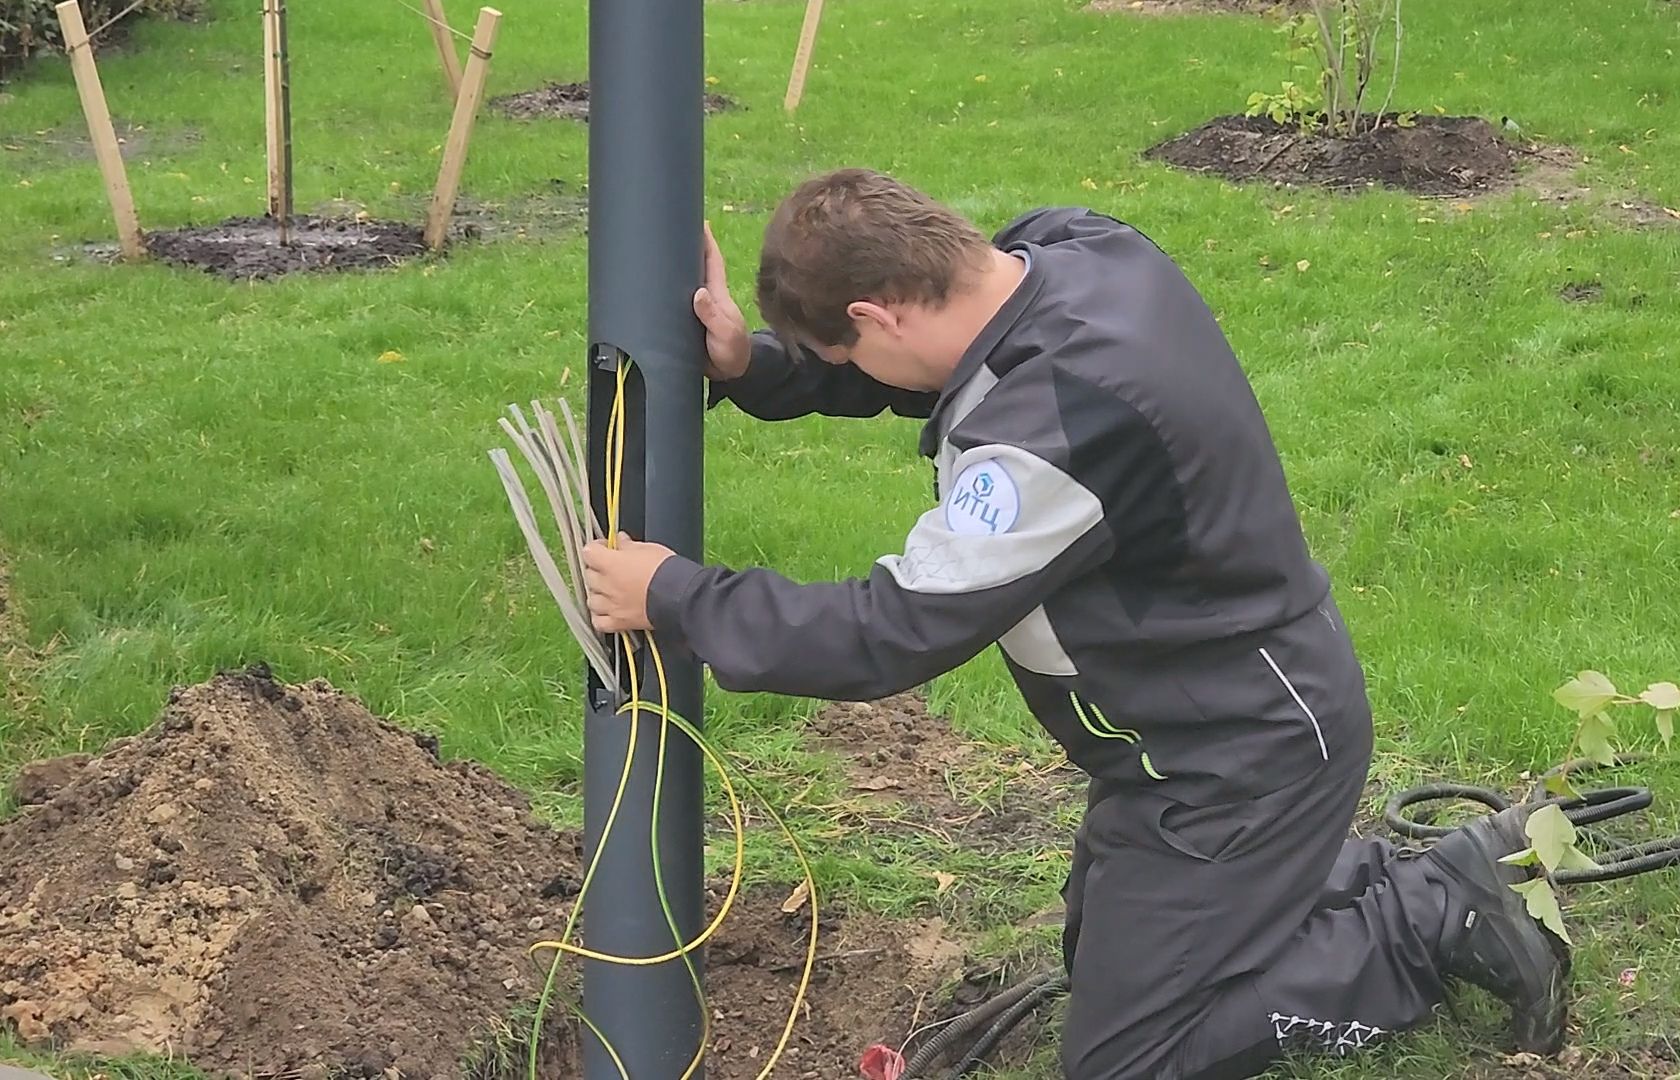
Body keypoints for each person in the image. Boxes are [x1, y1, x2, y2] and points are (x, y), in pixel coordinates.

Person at [580, 168, 1570, 1080]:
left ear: (879, 312)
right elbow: (944, 363)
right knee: (1097, 953)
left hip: (1242, 755)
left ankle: (1435, 916)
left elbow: (891, 630)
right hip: (1197, 738)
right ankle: (1331, 879)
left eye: (846, 351)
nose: (855, 371)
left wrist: (675, 595)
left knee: (1127, 1060)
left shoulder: (1056, 434)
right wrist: (758, 363)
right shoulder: (1069, 249)